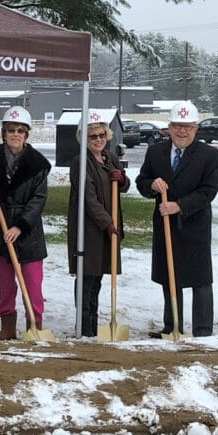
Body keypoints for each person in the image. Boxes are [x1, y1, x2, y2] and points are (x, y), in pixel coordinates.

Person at [135, 100, 218, 337]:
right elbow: (141, 182)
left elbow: (208, 191)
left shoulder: (208, 155)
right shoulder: (156, 152)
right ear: (169, 127)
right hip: (165, 225)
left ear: (195, 128)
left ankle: (203, 330)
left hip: (194, 224)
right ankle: (172, 325)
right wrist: (152, 185)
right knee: (169, 273)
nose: (182, 131)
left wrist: (179, 206)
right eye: (177, 126)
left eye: (188, 127)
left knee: (200, 278)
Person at [0, 106, 51, 340]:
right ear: (3, 133)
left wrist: (21, 226)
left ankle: (34, 326)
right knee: (6, 283)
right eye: (10, 130)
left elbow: (39, 199)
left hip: (28, 232)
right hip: (0, 227)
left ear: (27, 135)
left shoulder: (38, 164)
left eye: (20, 130)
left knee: (33, 284)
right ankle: (7, 325)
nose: (15, 134)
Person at [67, 116, 129, 337]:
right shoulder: (80, 162)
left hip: (107, 229)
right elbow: (89, 198)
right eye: (93, 136)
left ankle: (94, 325)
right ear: (84, 138)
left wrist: (121, 179)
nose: (98, 140)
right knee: (86, 276)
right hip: (89, 229)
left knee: (99, 277)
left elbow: (124, 185)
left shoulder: (110, 157)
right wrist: (107, 222)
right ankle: (83, 326)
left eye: (102, 135)